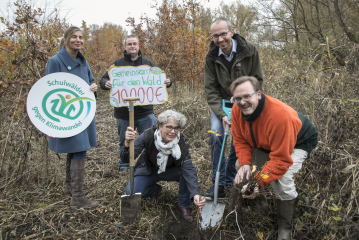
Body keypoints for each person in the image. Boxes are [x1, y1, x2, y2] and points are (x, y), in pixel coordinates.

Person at [230, 76, 318, 240]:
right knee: (241, 168)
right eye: (238, 98)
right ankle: (259, 204)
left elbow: (280, 161)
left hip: (297, 143)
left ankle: (285, 227)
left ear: (258, 94)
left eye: (247, 96)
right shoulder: (237, 109)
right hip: (267, 143)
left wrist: (258, 181)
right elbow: (240, 139)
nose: (242, 102)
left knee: (281, 178)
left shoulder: (280, 117)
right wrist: (244, 164)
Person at [204, 17, 263, 200]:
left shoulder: (249, 50)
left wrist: (244, 100)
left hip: (243, 102)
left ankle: (230, 180)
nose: (220, 39)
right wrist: (222, 115)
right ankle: (218, 183)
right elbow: (211, 89)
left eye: (223, 34)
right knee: (216, 136)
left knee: (237, 141)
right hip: (222, 104)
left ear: (231, 31)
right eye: (216, 36)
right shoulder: (211, 57)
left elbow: (257, 80)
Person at [100, 35, 172, 174]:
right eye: (129, 44)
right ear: (125, 47)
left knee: (151, 140)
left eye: (134, 44)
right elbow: (103, 79)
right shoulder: (117, 65)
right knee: (124, 140)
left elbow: (163, 77)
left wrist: (168, 81)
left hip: (145, 112)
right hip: (123, 112)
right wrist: (105, 83)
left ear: (138, 46)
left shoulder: (148, 64)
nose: (132, 46)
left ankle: (148, 164)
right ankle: (124, 165)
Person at [46, 26, 99, 208]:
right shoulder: (55, 61)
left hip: (83, 112)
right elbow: (49, 90)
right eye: (74, 37)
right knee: (79, 149)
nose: (78, 40)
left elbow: (91, 81)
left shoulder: (83, 62)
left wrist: (93, 88)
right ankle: (78, 197)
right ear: (66, 39)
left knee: (76, 148)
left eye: (81, 37)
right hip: (66, 113)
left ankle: (70, 187)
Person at [120, 110, 206, 222]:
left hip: (170, 171)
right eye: (169, 127)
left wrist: (195, 194)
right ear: (160, 126)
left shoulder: (180, 142)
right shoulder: (147, 135)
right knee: (131, 192)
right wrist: (127, 144)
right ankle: (153, 189)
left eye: (176, 128)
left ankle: (183, 205)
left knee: (186, 172)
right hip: (149, 171)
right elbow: (127, 159)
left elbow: (188, 168)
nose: (173, 131)